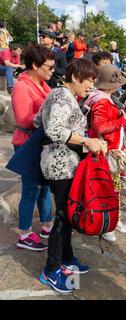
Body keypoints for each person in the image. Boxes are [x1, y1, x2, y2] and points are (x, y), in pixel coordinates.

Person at [37, 58, 102, 294]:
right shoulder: (62, 96)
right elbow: (54, 130)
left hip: (61, 163)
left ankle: (66, 258)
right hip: (60, 166)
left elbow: (38, 121)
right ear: (75, 77)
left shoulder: (59, 96)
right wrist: (86, 140)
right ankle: (51, 269)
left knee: (68, 215)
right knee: (64, 217)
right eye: (89, 81)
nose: (91, 86)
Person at [11, 45, 55, 251]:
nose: (52, 70)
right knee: (30, 190)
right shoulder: (22, 87)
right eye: (49, 66)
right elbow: (23, 119)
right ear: (35, 65)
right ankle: (25, 233)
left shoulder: (43, 84)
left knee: (45, 189)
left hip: (41, 143)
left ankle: (47, 224)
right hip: (27, 144)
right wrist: (50, 116)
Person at [85, 64, 126, 243]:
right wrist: (122, 120)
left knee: (112, 188)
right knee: (107, 190)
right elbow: (100, 127)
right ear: (112, 85)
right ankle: (106, 224)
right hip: (106, 152)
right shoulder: (102, 101)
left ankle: (113, 219)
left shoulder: (103, 98)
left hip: (109, 150)